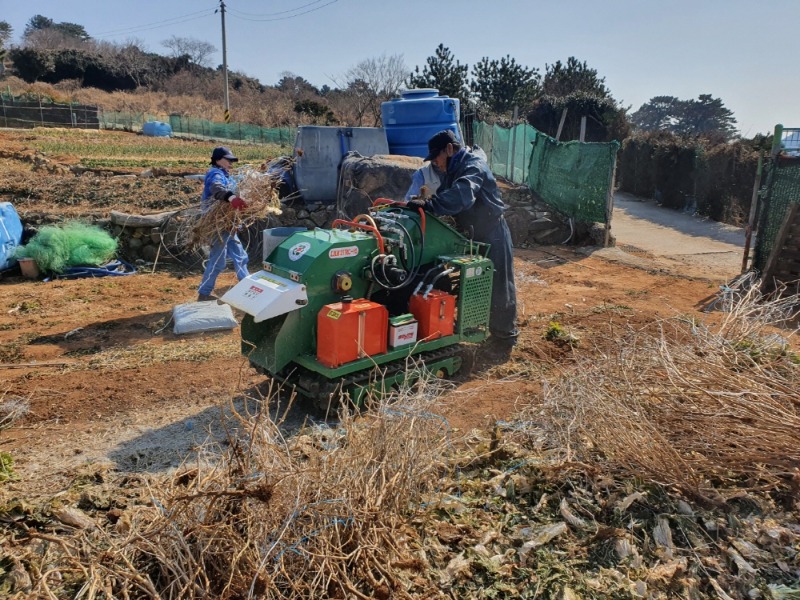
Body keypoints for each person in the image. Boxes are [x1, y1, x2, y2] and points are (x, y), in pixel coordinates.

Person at [408, 130, 518, 346]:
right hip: (472, 233)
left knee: (499, 284)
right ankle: (476, 325)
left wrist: (431, 205)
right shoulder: (452, 169)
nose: (435, 164)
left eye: (436, 158)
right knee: (475, 281)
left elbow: (462, 195)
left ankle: (505, 337)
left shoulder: (472, 166)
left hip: (492, 231)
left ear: (449, 149)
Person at [197, 146, 250, 302]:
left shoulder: (226, 175)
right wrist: (232, 199)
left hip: (227, 223)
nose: (231, 163)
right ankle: (204, 293)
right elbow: (217, 189)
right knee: (218, 261)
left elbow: (237, 185)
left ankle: (246, 286)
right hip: (217, 224)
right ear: (218, 160)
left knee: (240, 256)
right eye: (228, 160)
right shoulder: (215, 174)